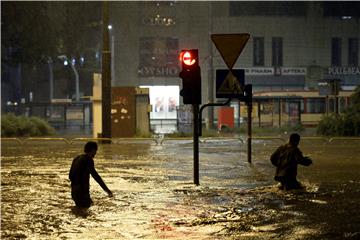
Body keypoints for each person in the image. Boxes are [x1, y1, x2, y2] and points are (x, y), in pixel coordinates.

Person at [69, 141, 113, 208]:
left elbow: (70, 176)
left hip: (74, 192)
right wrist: (107, 190)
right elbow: (96, 176)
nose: (95, 153)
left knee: (81, 210)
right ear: (93, 150)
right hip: (82, 193)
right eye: (95, 151)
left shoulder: (76, 158)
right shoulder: (88, 160)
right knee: (86, 212)